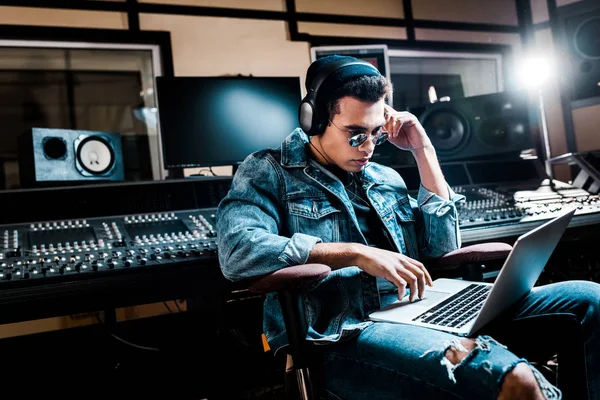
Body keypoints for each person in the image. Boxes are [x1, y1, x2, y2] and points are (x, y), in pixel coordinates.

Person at [216, 55, 600, 399]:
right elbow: (238, 250)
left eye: (376, 133)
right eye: (355, 134)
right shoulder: (269, 171)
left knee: (590, 299)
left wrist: (423, 150)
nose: (367, 146)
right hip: (346, 332)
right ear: (313, 119)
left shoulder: (384, 176)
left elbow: (440, 247)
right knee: (516, 380)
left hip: (422, 308)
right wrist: (354, 253)